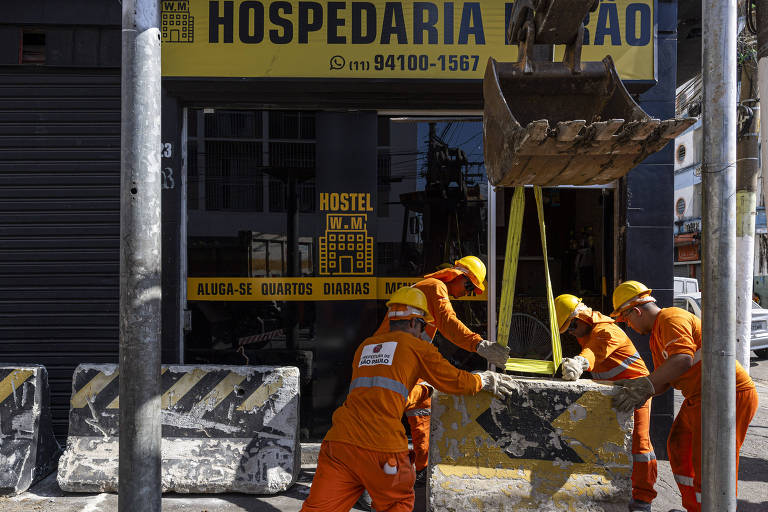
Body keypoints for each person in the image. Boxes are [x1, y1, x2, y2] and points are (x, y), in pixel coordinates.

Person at [300, 287, 515, 512]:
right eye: (424, 326)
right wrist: (484, 380)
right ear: (414, 323)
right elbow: (455, 381)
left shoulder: (365, 347)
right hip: (382, 449)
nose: (424, 332)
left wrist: (423, 391)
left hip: (339, 445)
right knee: (396, 504)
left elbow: (383, 395)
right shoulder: (417, 347)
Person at [609, 281, 759, 512]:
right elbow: (665, 380)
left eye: (625, 319)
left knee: (711, 466)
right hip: (700, 397)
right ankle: (695, 507)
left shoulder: (671, 318)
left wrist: (646, 384)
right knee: (679, 447)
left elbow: (682, 360)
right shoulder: (656, 335)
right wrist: (635, 389)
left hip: (727, 395)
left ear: (636, 311)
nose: (627, 325)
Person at [374, 255, 510, 484]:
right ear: (457, 276)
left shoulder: (426, 289)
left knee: (422, 405)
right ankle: (371, 479)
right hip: (393, 359)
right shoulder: (435, 287)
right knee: (385, 415)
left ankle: (421, 467)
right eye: (469, 286)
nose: (467, 293)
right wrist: (479, 344)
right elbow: (449, 323)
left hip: (400, 358)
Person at [554, 294, 657, 512]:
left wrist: (580, 363)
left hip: (635, 393)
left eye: (571, 328)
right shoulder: (589, 332)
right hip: (612, 393)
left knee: (639, 446)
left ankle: (642, 500)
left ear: (580, 317)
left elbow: (594, 352)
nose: (571, 333)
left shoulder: (606, 331)